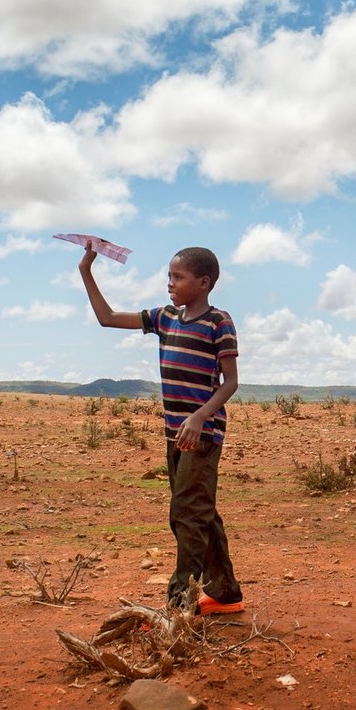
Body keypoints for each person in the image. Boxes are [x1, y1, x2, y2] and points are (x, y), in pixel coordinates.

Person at [78, 241, 244, 615]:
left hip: (201, 434)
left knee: (187, 514)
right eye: (168, 276)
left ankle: (180, 605)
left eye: (177, 277)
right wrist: (86, 271)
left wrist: (200, 416)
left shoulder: (219, 322)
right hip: (175, 433)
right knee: (200, 512)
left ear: (203, 282)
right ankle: (225, 591)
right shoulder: (165, 317)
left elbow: (231, 382)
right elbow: (107, 318)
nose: (169, 283)